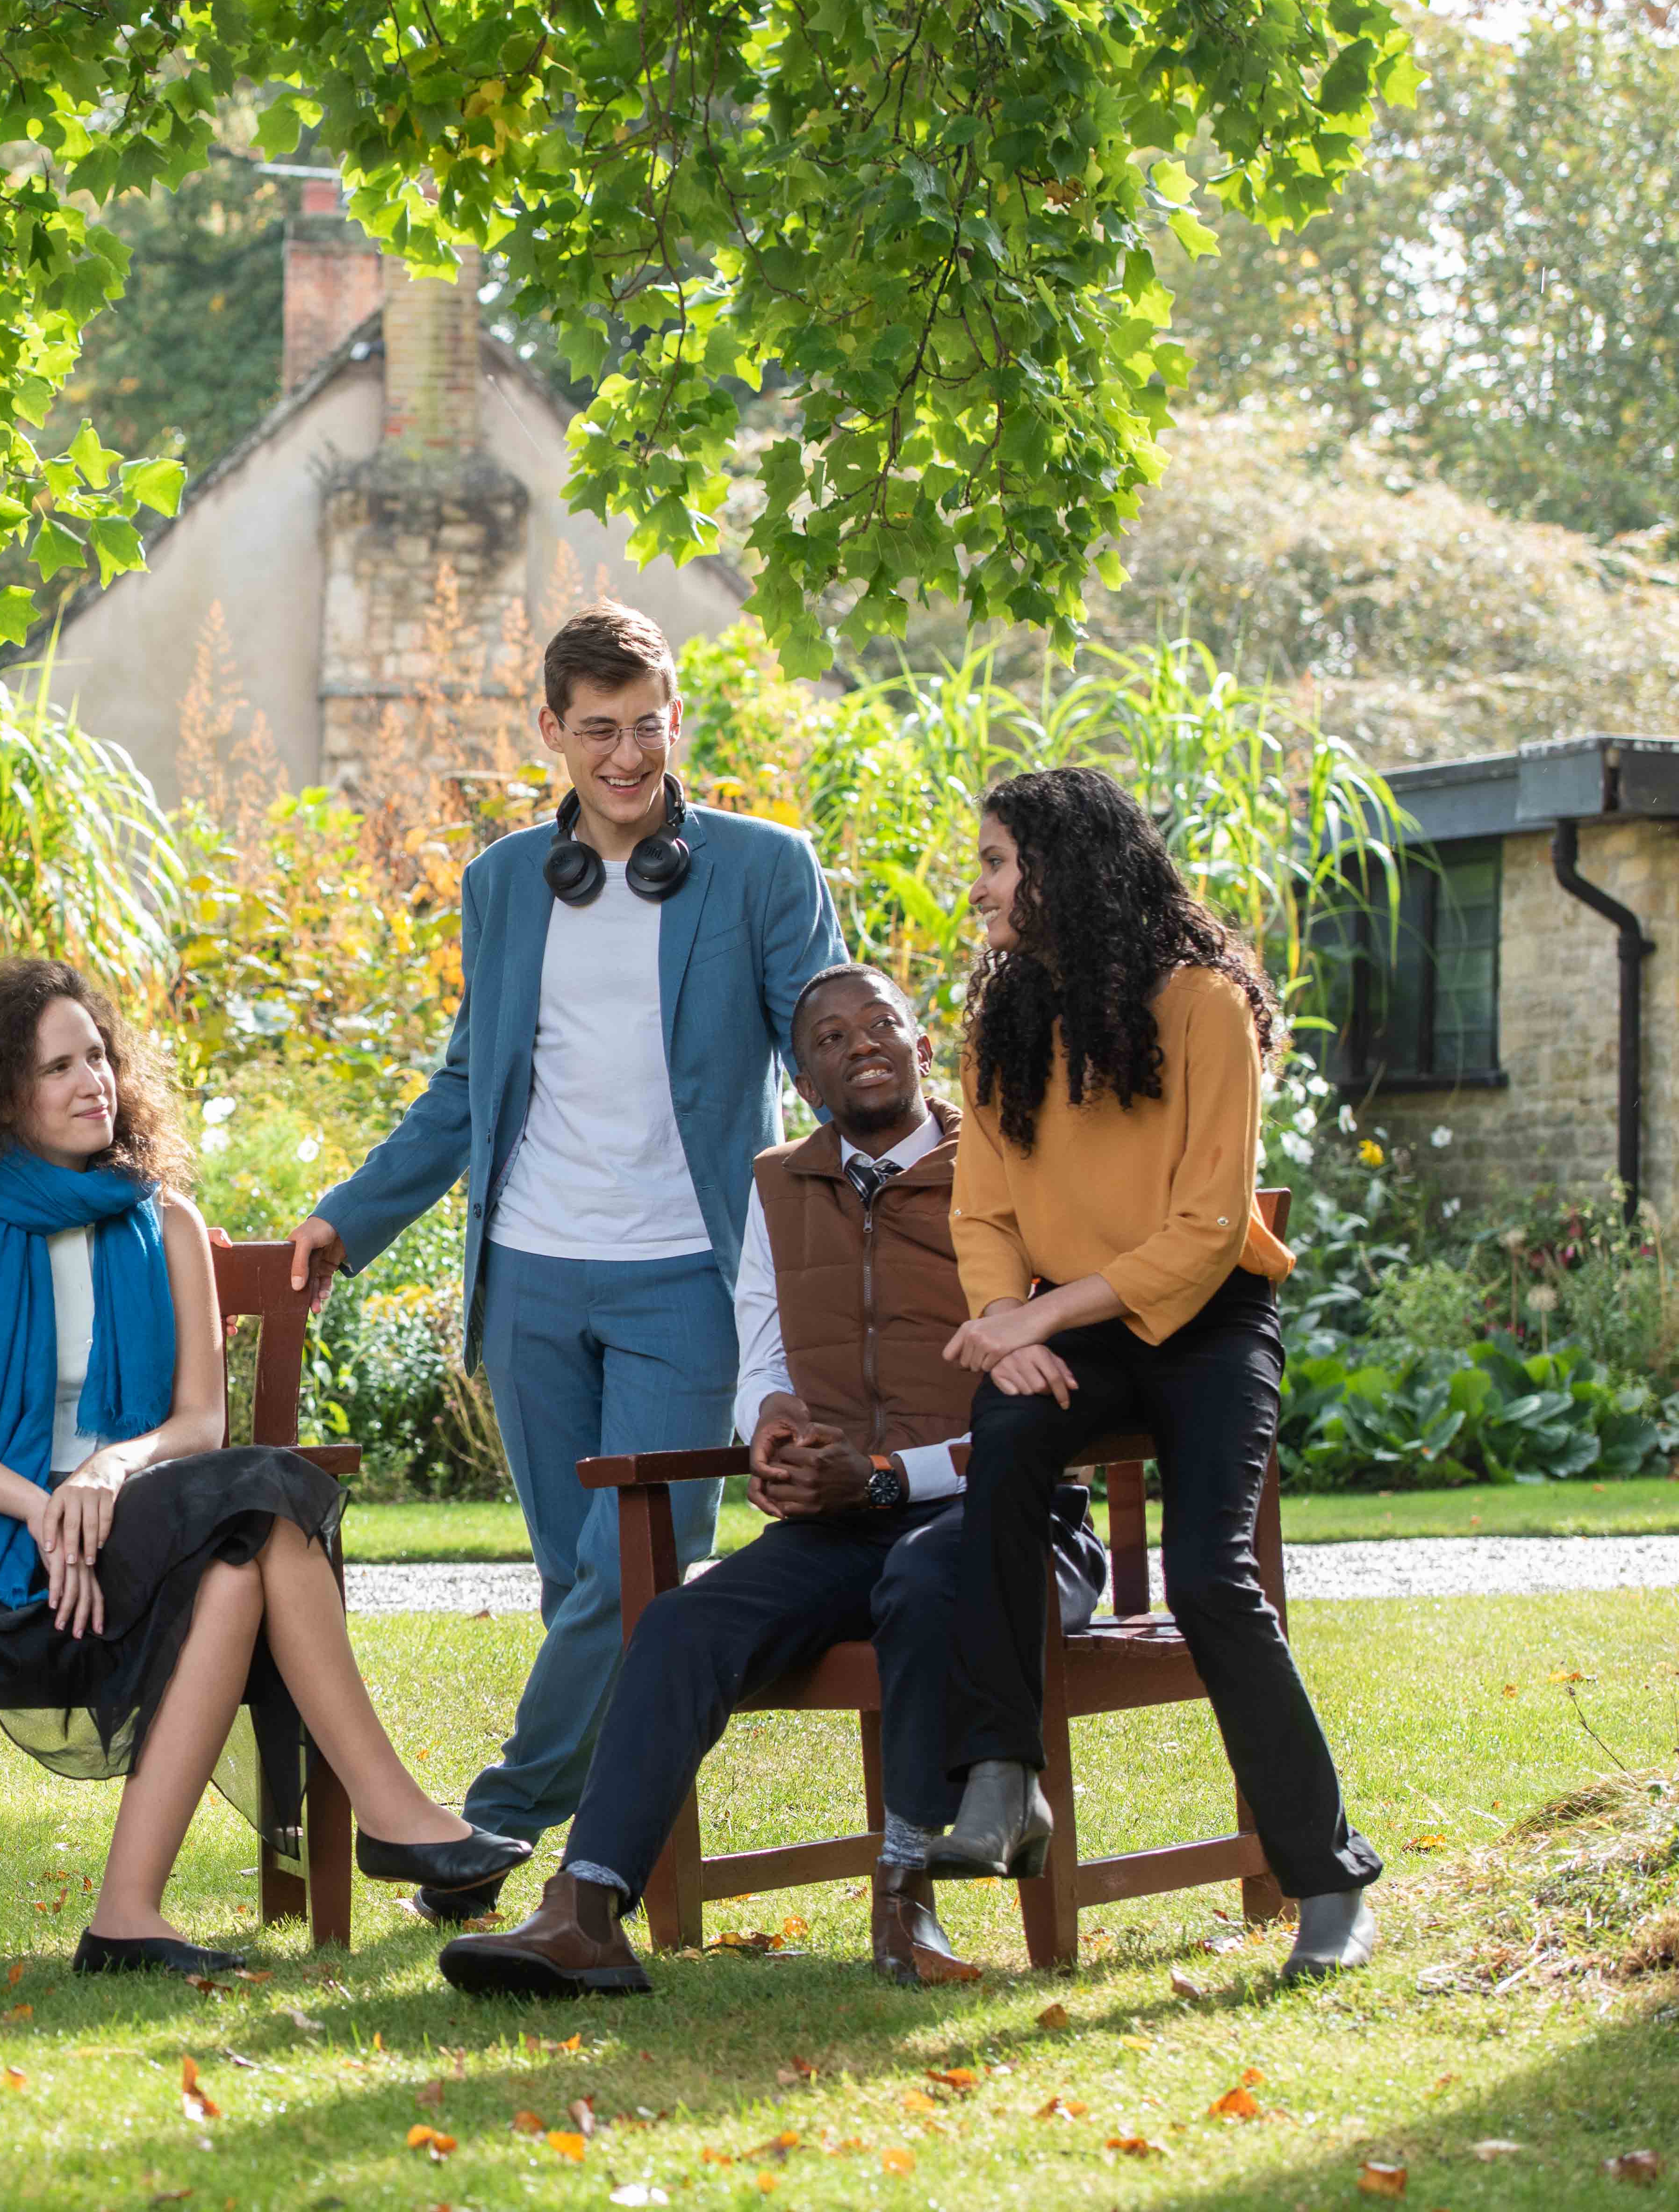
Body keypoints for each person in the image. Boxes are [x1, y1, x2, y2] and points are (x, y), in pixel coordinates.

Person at [0, 959, 529, 1975]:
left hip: (132, 1528)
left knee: (242, 1542)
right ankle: (386, 1813)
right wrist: (41, 1502)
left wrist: (105, 1470)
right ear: (2, 1093)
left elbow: (196, 1421)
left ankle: (130, 1915)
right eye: (56, 1066)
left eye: (97, 1055)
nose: (89, 1080)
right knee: (253, 1529)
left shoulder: (168, 1222)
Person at [292, 603, 844, 1916]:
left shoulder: (766, 870)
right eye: (597, 731)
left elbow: (831, 1055)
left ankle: (484, 1825)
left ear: (674, 724)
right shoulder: (498, 886)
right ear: (551, 731)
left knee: (629, 1576)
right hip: (532, 1277)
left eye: (646, 729)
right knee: (577, 1589)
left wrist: (916, 1197)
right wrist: (350, 1217)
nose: (625, 756)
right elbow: (466, 1087)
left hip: (686, 1280)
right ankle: (611, 1860)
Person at [438, 965, 1109, 1996]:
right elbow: (761, 1349)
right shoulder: (775, 1182)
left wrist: (887, 1477)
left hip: (1008, 1523)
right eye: (831, 1038)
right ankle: (583, 1909)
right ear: (803, 1080)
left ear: (923, 1045)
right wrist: (770, 1428)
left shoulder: (1006, 1165)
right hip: (841, 1523)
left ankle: (906, 1900)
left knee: (927, 1580)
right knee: (675, 1622)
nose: (861, 1043)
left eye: (880, 1022)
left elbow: (1060, 1387)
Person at [927, 767, 1382, 1979]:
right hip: (1076, 1333)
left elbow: (1206, 1227)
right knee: (1004, 1456)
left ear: (1065, 872)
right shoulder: (1003, 1023)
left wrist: (1041, 1315)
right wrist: (1000, 1322)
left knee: (1210, 1578)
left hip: (1211, 1325)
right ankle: (1003, 1777)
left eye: (996, 864)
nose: (978, 890)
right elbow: (980, 1211)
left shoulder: (1203, 1004)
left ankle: (1329, 1884)